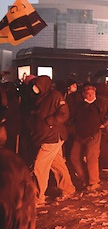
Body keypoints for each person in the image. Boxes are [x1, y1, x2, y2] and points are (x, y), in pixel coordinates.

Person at [30, 75, 76, 205]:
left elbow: (64, 113)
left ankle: (38, 197)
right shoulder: (41, 98)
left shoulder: (55, 96)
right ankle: (68, 189)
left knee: (40, 166)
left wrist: (51, 121)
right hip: (47, 135)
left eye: (37, 85)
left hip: (53, 136)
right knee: (57, 164)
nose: (35, 88)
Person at [69, 84, 108, 191]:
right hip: (79, 134)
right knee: (74, 157)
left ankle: (94, 181)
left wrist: (104, 124)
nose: (90, 96)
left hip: (94, 134)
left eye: (92, 93)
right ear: (83, 94)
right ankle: (84, 178)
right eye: (88, 94)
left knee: (92, 157)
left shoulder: (100, 104)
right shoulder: (79, 105)